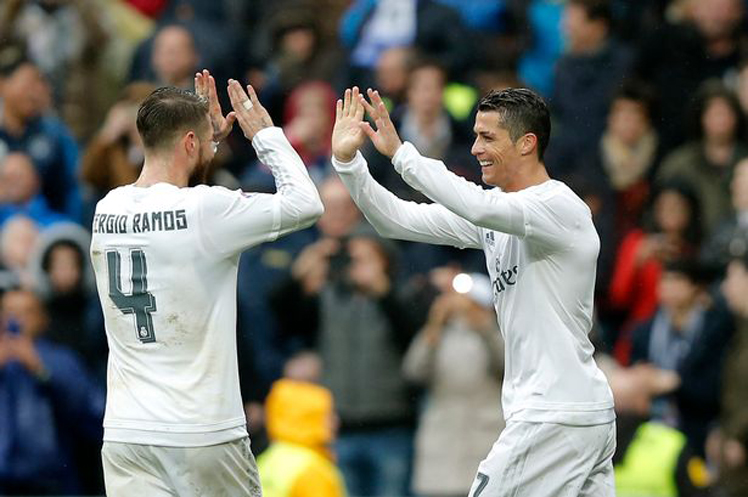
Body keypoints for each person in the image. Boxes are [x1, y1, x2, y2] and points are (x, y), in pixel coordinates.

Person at [330, 86, 616, 495]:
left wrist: (401, 154)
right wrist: (348, 163)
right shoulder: (499, 217)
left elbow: (478, 206)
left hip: (553, 413)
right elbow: (395, 220)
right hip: (574, 413)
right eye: (476, 136)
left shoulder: (559, 207)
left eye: (488, 137)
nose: (476, 148)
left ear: (526, 144)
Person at [89, 70, 324, 496]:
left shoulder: (108, 209)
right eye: (205, 142)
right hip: (203, 432)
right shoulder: (206, 210)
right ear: (190, 143)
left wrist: (201, 143)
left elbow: (175, 209)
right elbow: (306, 204)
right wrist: (266, 136)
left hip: (128, 435)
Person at [257, 378, 347, 497]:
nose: (336, 421)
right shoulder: (314, 470)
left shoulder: (268, 459)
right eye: (328, 414)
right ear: (310, 418)